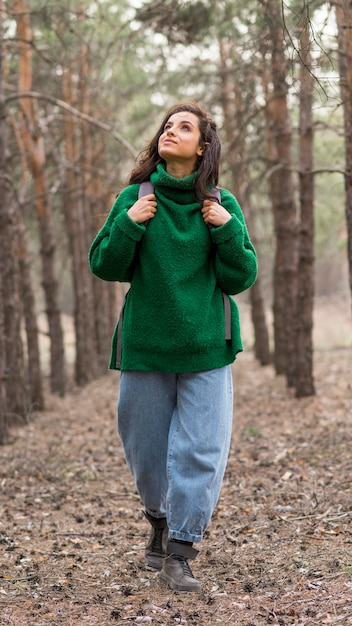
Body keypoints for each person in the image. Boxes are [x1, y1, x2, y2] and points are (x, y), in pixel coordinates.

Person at [89, 102, 257, 593]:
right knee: (146, 450)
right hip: (146, 345)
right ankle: (160, 521)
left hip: (208, 346)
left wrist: (226, 228)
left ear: (202, 147)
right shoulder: (135, 199)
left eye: (184, 127)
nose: (171, 131)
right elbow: (105, 264)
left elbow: (240, 275)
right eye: (168, 125)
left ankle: (180, 551)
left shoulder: (222, 203)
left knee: (201, 450)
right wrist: (131, 222)